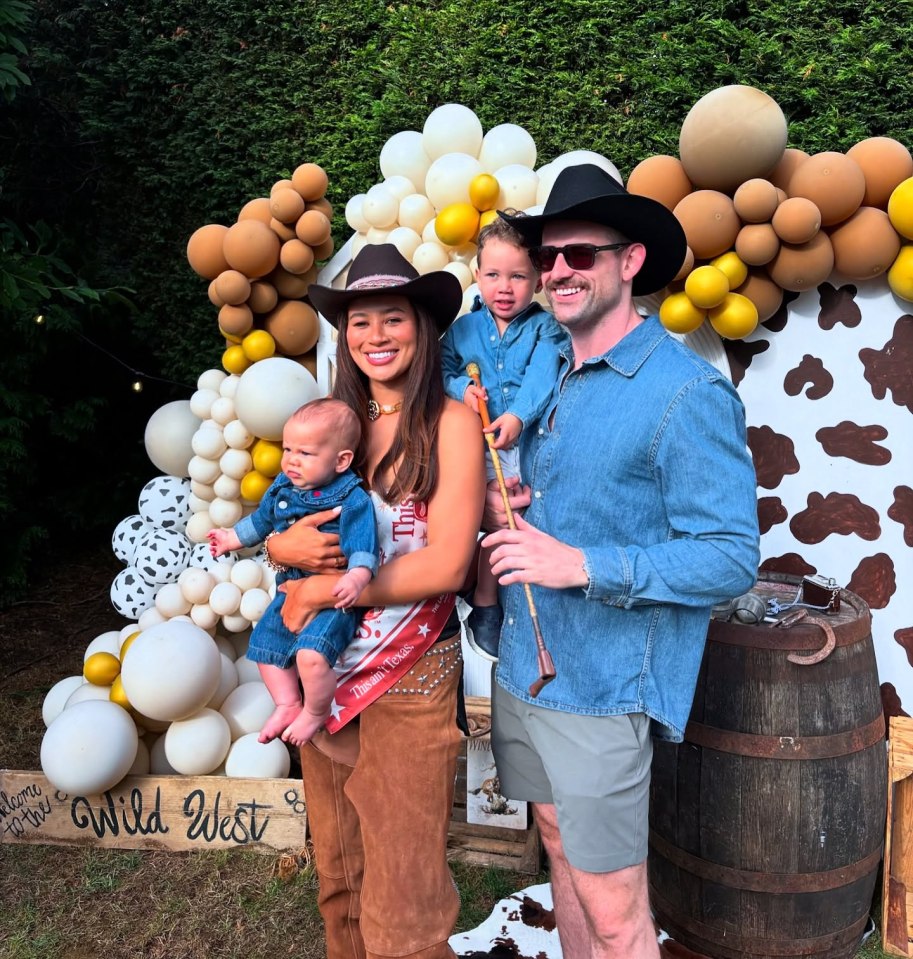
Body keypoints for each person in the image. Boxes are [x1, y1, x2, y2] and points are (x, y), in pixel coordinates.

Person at [482, 164, 760, 958]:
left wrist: (583, 565)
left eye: (579, 254)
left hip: (602, 692)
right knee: (559, 851)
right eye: (547, 257)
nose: (557, 270)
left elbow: (730, 556)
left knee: (615, 914)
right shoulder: (552, 373)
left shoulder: (684, 393)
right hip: (525, 668)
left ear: (628, 262)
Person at [264, 243, 486, 959]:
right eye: (360, 321)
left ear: (423, 328)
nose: (375, 335)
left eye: (394, 318)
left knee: (404, 887)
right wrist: (277, 551)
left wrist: (320, 586)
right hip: (323, 666)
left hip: (409, 672)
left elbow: (447, 562)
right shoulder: (332, 424)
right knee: (340, 868)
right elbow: (279, 522)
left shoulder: (450, 422)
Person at [208, 398, 378, 747]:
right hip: (289, 588)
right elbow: (260, 521)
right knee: (264, 647)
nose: (291, 460)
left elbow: (364, 545)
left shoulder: (352, 497)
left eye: (305, 453)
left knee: (310, 657)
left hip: (333, 597)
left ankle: (316, 711)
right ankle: (288, 703)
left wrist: (358, 576)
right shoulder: (284, 485)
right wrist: (230, 538)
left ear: (341, 460)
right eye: (288, 449)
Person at [440, 214, 566, 661]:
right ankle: (483, 604)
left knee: (517, 521)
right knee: (478, 518)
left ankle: (513, 602)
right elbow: (444, 369)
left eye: (518, 276)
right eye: (493, 275)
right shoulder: (462, 330)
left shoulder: (545, 329)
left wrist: (517, 414)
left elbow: (542, 374)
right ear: (477, 276)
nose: (505, 287)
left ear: (537, 280)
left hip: (522, 444)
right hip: (472, 447)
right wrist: (462, 390)